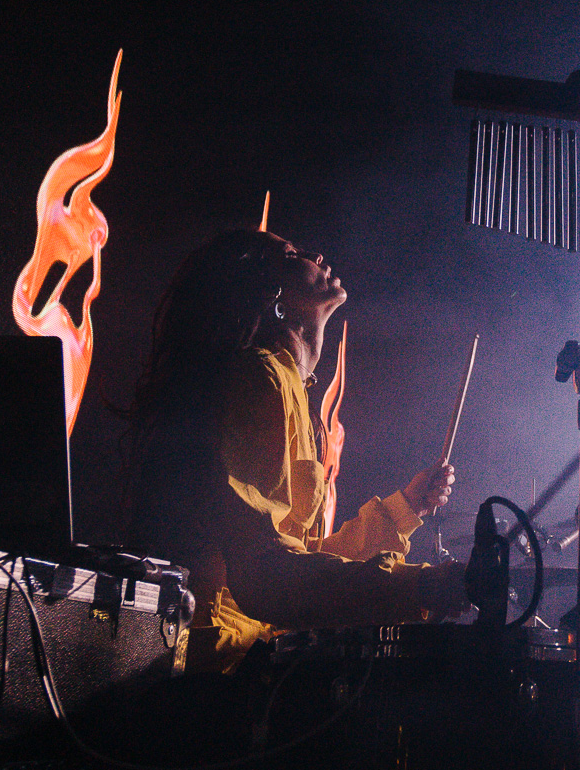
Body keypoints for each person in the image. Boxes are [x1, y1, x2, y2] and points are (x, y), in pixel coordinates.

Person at [125, 227, 469, 672]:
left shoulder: (284, 385)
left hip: (242, 658)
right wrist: (421, 586)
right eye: (291, 255)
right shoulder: (259, 379)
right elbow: (265, 576)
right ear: (274, 296)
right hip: (214, 667)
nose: (317, 254)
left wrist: (406, 509)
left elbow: (298, 562)